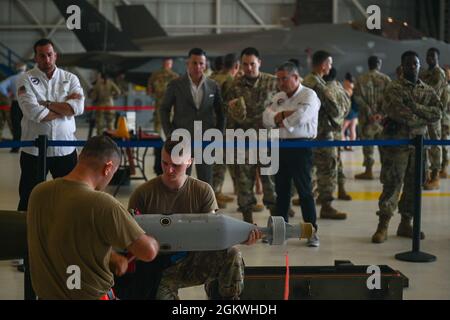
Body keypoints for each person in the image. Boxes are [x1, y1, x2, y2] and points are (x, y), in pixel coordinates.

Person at [27, 135, 160, 299]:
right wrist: (154, 241)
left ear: (79, 157)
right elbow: (148, 252)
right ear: (108, 167)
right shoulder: (103, 204)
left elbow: (65, 238)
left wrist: (110, 256)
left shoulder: (39, 193)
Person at [127, 139, 261, 300]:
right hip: (159, 267)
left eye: (176, 165)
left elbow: (214, 233)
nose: (169, 170)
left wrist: (240, 237)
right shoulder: (143, 194)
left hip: (193, 261)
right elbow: (130, 235)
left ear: (190, 162)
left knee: (232, 254)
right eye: (164, 163)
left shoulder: (202, 191)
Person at [372, 51, 443, 243]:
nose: (413, 67)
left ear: (419, 66)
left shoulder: (428, 90)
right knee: (392, 185)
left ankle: (406, 223)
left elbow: (437, 113)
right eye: (409, 64)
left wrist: (415, 107)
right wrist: (421, 116)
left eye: (416, 64)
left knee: (414, 185)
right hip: (398, 146)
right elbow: (398, 113)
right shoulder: (393, 88)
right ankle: (383, 225)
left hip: (419, 147)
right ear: (402, 66)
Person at [16, 38, 84, 213]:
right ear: (35, 58)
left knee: (71, 196)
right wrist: (64, 109)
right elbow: (33, 112)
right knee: (28, 197)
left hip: (65, 149)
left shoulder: (70, 78)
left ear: (55, 55)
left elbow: (77, 108)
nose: (46, 59)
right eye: (42, 55)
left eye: (49, 54)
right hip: (33, 151)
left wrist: (45, 103)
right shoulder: (26, 79)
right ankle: (23, 232)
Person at [263, 61, 320, 247]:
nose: (281, 82)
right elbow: (266, 117)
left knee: (304, 191)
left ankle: (312, 232)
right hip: (280, 146)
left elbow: (303, 116)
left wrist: (281, 119)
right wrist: (281, 116)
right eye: (278, 79)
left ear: (295, 77)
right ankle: (280, 232)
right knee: (282, 191)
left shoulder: (308, 94)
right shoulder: (279, 97)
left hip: (301, 147)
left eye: (284, 78)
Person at [226, 47, 278, 223]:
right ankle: (247, 221)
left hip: (268, 142)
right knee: (244, 184)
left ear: (259, 63)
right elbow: (230, 117)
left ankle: (275, 220)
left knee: (270, 182)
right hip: (243, 143)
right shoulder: (234, 85)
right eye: (245, 64)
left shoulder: (273, 82)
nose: (249, 68)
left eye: (252, 64)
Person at [159, 48, 224, 186]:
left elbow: (221, 112)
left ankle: (206, 208)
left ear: (205, 65)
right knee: (179, 180)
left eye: (201, 63)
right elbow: (164, 109)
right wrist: (170, 134)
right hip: (181, 141)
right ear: (187, 63)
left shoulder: (213, 86)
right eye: (194, 63)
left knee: (206, 182)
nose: (198, 67)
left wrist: (218, 133)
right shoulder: (175, 85)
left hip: (205, 140)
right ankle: (181, 207)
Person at [302, 50, 348, 220]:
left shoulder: (306, 81)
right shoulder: (319, 85)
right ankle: (327, 206)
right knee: (328, 169)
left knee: (311, 170)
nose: (330, 66)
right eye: (329, 63)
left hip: (309, 135)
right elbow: (334, 109)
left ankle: (310, 199)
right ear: (323, 65)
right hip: (322, 134)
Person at [353, 56, 391, 180]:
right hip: (382, 121)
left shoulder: (360, 79)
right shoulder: (386, 79)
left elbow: (357, 97)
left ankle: (368, 171)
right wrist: (381, 113)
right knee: (384, 146)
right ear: (379, 64)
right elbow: (390, 99)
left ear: (368, 64)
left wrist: (368, 111)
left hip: (366, 119)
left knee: (367, 145)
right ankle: (385, 172)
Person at [210, 53, 240, 208]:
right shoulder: (229, 81)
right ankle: (214, 194)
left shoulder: (213, 78)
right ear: (236, 66)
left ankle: (216, 192)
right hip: (223, 126)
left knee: (215, 160)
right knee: (220, 162)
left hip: (210, 125)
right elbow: (230, 105)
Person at [419, 48, 447, 190]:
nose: (429, 58)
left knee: (435, 144)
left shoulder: (439, 73)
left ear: (437, 58)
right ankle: (427, 175)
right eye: (428, 55)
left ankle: (435, 176)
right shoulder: (424, 73)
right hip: (423, 113)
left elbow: (432, 92)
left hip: (434, 114)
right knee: (424, 144)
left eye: (432, 56)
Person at [323, 68, 352, 201]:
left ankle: (325, 196)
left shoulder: (325, 89)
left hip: (327, 131)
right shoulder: (341, 89)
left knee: (327, 165)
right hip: (338, 131)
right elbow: (347, 108)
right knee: (338, 161)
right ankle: (342, 189)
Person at [147, 58, 179, 176]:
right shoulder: (174, 76)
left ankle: (159, 149)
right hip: (168, 107)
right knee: (166, 128)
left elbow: (149, 90)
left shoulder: (156, 75)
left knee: (159, 128)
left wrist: (155, 95)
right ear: (169, 64)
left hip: (161, 105)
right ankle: (167, 148)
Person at [0, 62, 26, 152]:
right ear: (25, 68)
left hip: (15, 103)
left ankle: (16, 148)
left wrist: (8, 94)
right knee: (29, 125)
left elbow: (1, 86)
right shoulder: (29, 77)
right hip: (27, 104)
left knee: (16, 126)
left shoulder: (12, 78)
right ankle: (30, 147)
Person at [341, 72, 358, 151]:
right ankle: (351, 146)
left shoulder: (346, 87)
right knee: (352, 130)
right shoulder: (354, 86)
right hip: (354, 112)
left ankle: (344, 145)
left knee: (342, 130)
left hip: (348, 112)